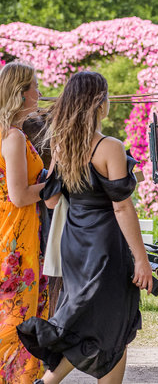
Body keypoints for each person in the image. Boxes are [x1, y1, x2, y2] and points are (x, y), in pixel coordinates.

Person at [17, 71, 153, 384]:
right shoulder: (110, 147)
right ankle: (47, 382)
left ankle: (48, 382)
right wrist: (141, 258)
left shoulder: (62, 144)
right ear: (99, 104)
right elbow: (121, 206)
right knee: (114, 321)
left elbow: (51, 202)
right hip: (105, 246)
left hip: (74, 245)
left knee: (100, 321)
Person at [0, 61, 49, 384]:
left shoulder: (11, 133)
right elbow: (19, 195)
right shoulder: (14, 137)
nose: (40, 93)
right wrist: (59, 183)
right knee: (16, 319)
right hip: (17, 238)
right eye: (35, 88)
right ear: (20, 94)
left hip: (18, 232)